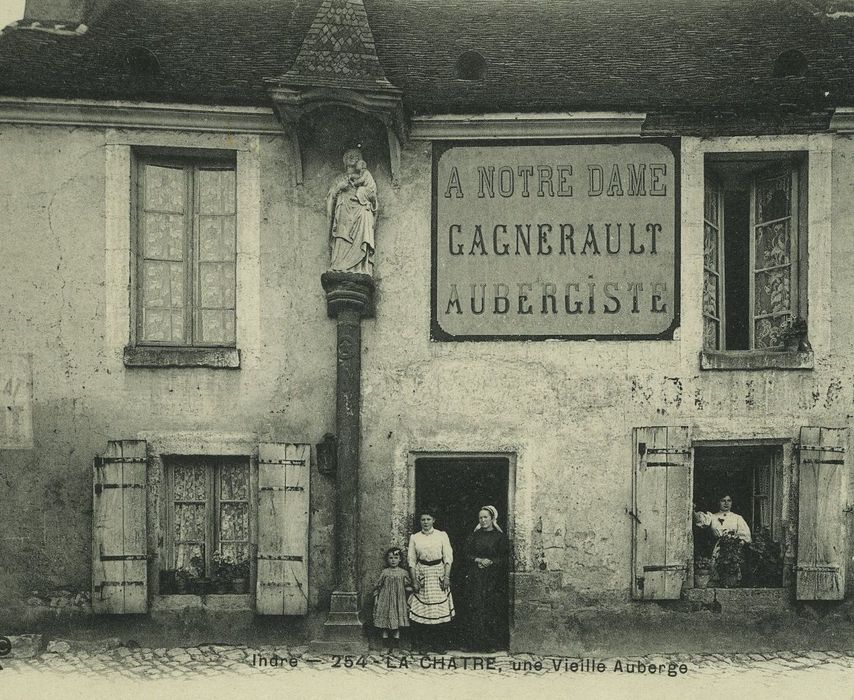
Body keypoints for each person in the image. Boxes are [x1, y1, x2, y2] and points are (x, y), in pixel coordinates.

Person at [462, 505, 509, 652]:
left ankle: (490, 644)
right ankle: (474, 644)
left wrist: (491, 562)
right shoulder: (474, 536)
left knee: (491, 608)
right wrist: (478, 560)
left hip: (493, 579)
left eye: (485, 517)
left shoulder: (500, 537)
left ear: (492, 518)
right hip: (476, 577)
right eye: (480, 518)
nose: (483, 520)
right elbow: (466, 554)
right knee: (475, 607)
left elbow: (504, 557)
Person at [407, 511, 454, 652]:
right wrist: (414, 580)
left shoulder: (441, 535)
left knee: (438, 610)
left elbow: (448, 557)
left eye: (428, 519)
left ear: (434, 520)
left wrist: (446, 577)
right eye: (423, 519)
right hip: (422, 574)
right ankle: (423, 644)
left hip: (438, 572)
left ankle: (439, 645)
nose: (425, 522)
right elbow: (411, 560)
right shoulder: (415, 537)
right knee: (423, 610)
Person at [326, 148, 377, 275]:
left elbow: (373, 196)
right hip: (343, 211)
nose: (351, 157)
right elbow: (330, 197)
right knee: (342, 235)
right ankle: (339, 265)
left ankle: (359, 268)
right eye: (348, 155)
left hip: (360, 210)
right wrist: (339, 187)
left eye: (355, 156)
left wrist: (371, 199)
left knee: (364, 217)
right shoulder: (339, 178)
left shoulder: (364, 176)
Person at [694, 494, 751, 585]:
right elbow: (700, 521)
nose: (726, 503)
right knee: (716, 574)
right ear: (718, 502)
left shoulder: (737, 518)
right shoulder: (712, 516)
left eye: (729, 500)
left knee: (732, 575)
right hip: (717, 549)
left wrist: (737, 546)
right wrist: (692, 510)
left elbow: (745, 536)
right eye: (723, 500)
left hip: (734, 550)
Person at [372, 547, 412, 651]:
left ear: (400, 559)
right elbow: (378, 586)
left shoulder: (403, 573)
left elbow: (407, 587)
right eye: (390, 558)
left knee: (397, 624)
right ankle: (385, 646)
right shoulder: (385, 572)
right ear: (387, 559)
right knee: (385, 624)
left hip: (398, 601)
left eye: (395, 557)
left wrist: (414, 589)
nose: (393, 560)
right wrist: (376, 600)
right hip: (385, 601)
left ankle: (395, 647)